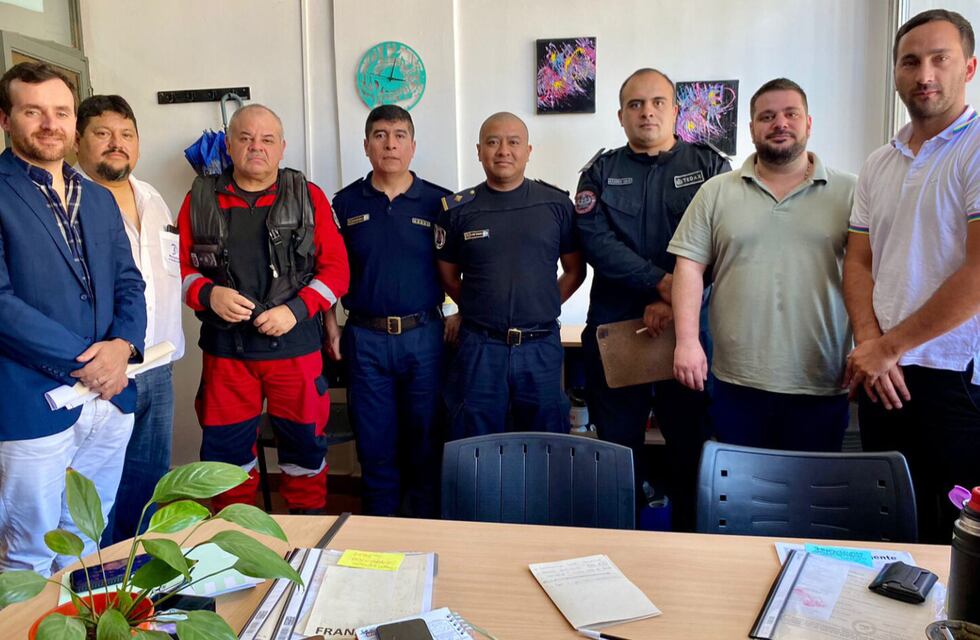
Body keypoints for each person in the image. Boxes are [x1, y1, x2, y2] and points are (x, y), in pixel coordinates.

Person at [0, 62, 146, 574]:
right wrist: (89, 361)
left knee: (88, 536)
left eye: (60, 112)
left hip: (107, 400)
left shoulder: (99, 200)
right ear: (6, 119)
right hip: (30, 402)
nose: (49, 123)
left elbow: (130, 283)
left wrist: (124, 346)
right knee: (28, 553)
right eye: (32, 111)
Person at [843, 9, 978, 543]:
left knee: (958, 538)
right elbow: (858, 261)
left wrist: (888, 345)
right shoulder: (879, 162)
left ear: (968, 67)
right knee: (890, 527)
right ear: (895, 73)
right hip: (885, 374)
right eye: (910, 61)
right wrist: (871, 342)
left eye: (939, 59)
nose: (924, 74)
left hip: (956, 379)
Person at [574, 68, 729, 531]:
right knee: (619, 455)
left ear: (676, 111)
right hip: (618, 334)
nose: (647, 112)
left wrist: (676, 301)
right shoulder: (600, 172)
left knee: (691, 450)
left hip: (690, 335)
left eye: (658, 102)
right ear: (620, 115)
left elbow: (727, 244)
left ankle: (687, 547)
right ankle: (623, 545)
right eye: (636, 104)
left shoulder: (709, 167)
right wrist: (663, 283)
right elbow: (594, 241)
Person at [178, 104, 349, 514]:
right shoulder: (200, 199)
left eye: (267, 139)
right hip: (227, 356)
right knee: (225, 460)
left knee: (305, 452)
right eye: (246, 138)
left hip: (296, 353)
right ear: (230, 145)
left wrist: (297, 310)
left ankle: (306, 544)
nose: (257, 147)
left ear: (282, 147)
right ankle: (233, 544)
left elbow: (337, 271)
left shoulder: (309, 197)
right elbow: (177, 270)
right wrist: (207, 294)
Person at [670, 78, 856, 451]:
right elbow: (688, 267)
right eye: (767, 116)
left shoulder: (851, 191)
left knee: (813, 500)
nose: (780, 123)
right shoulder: (716, 191)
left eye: (791, 114)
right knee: (741, 502)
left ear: (808, 123)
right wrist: (687, 342)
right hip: (737, 381)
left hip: (821, 379)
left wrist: (869, 345)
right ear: (752, 128)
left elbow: (872, 273)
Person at [326, 105, 452, 517]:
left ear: (413, 146)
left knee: (426, 442)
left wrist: (460, 314)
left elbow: (465, 268)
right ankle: (380, 537)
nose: (390, 143)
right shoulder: (345, 204)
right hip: (365, 339)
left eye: (399, 135)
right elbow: (324, 270)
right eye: (380, 135)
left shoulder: (440, 202)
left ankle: (425, 533)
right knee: (375, 445)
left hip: (425, 337)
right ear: (366, 146)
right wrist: (332, 328)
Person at [74, 94, 185, 544]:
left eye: (126, 134)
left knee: (147, 485)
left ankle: (136, 585)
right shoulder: (70, 203)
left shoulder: (154, 198)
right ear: (77, 142)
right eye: (102, 133)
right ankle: (95, 590)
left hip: (157, 366)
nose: (115, 144)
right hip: (102, 374)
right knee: (94, 497)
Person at [436, 112, 584, 438]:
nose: (503, 150)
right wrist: (481, 307)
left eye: (513, 142)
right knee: (476, 442)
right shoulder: (458, 210)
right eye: (493, 142)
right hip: (480, 348)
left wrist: (540, 304)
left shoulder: (556, 205)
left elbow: (575, 271)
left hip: (540, 346)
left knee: (545, 442)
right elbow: (448, 277)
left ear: (528, 150)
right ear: (478, 151)